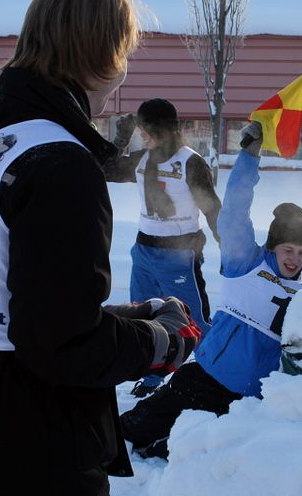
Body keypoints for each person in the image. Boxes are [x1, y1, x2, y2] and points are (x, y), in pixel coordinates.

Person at [0, 0, 200, 496]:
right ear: (107, 56)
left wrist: (125, 318)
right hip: (26, 440)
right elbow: (61, 346)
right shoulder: (60, 163)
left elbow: (16, 309)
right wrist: (158, 343)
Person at [119, 120, 302, 459]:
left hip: (247, 403)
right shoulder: (247, 264)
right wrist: (250, 156)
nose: (294, 259)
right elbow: (234, 213)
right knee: (129, 433)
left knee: (190, 453)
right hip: (207, 377)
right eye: (288, 250)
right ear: (274, 247)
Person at [103, 98, 221, 397]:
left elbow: (212, 208)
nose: (142, 134)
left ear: (165, 129)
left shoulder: (190, 162)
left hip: (180, 254)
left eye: (146, 129)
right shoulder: (142, 159)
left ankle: (217, 374)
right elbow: (104, 169)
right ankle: (153, 378)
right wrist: (121, 137)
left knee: (193, 318)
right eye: (140, 129)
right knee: (145, 317)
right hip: (144, 251)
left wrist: (227, 245)